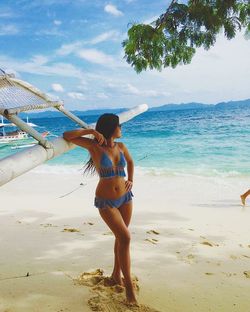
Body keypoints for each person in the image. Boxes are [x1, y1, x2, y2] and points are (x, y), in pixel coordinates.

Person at [63, 113, 137, 304]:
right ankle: (129, 290)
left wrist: (130, 180)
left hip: (125, 198)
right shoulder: (94, 146)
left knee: (121, 238)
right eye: (119, 126)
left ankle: (115, 276)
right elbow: (67, 135)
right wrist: (90, 131)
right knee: (125, 237)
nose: (121, 129)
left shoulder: (121, 146)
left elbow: (130, 162)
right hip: (106, 201)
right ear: (112, 128)